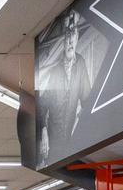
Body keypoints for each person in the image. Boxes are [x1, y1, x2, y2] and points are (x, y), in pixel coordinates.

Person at [37, 10, 92, 168]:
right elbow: (42, 103)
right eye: (67, 38)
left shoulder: (80, 64)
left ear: (76, 39)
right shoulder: (55, 70)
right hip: (54, 137)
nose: (70, 43)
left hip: (70, 137)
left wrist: (82, 123)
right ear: (63, 41)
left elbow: (87, 98)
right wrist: (43, 130)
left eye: (72, 37)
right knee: (52, 167)